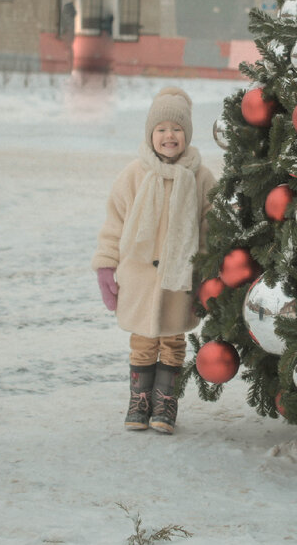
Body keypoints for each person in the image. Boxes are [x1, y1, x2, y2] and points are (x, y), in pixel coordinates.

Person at [92, 87, 217, 434]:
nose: (169, 135)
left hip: (181, 277)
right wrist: (106, 265)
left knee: (173, 341)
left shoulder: (201, 177)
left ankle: (165, 402)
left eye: (176, 129)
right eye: (161, 129)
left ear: (187, 134)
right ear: (151, 134)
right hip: (140, 276)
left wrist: (208, 273)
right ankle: (139, 401)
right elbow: (114, 223)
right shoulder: (134, 175)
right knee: (143, 341)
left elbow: (210, 228)